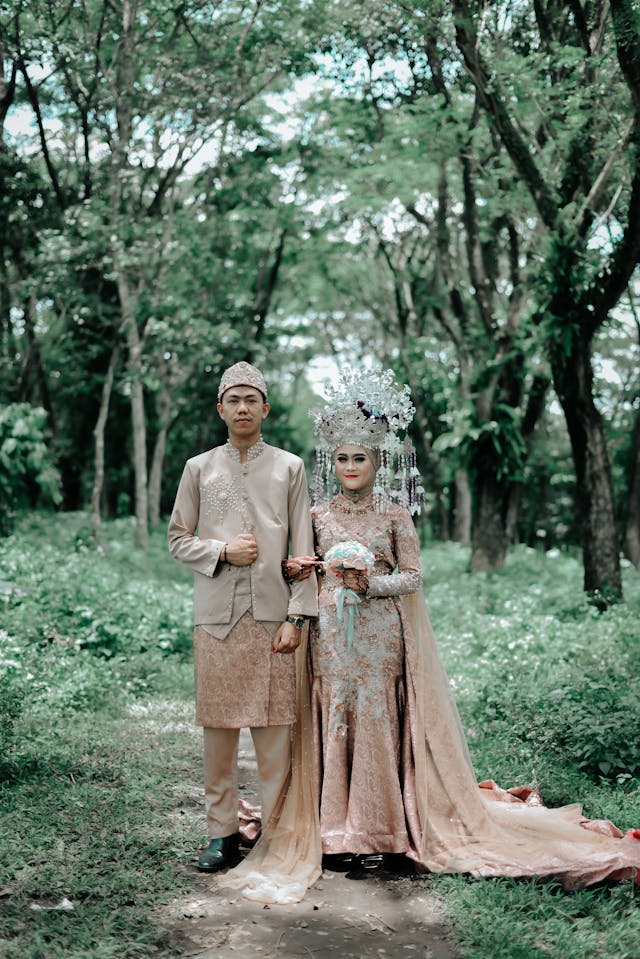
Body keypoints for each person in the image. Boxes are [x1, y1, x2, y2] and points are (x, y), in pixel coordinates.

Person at [223, 366, 640, 903]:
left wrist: (370, 583)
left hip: (380, 636)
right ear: (333, 462)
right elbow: (301, 567)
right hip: (329, 636)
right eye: (343, 458)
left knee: (376, 723)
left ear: (378, 462)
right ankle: (332, 833)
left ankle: (381, 838)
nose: (351, 467)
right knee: (333, 718)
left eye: (360, 458)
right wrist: (296, 568)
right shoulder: (318, 514)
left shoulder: (395, 516)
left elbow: (414, 577)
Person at [168, 360, 318, 872]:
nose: (242, 408)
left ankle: (276, 834)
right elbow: (177, 539)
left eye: (251, 399)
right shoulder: (198, 468)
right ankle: (222, 834)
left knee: (275, 735)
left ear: (266, 409)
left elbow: (303, 549)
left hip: (274, 618)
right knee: (218, 732)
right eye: (233, 400)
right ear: (220, 409)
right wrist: (221, 551)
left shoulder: (290, 467)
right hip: (216, 619)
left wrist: (297, 616)